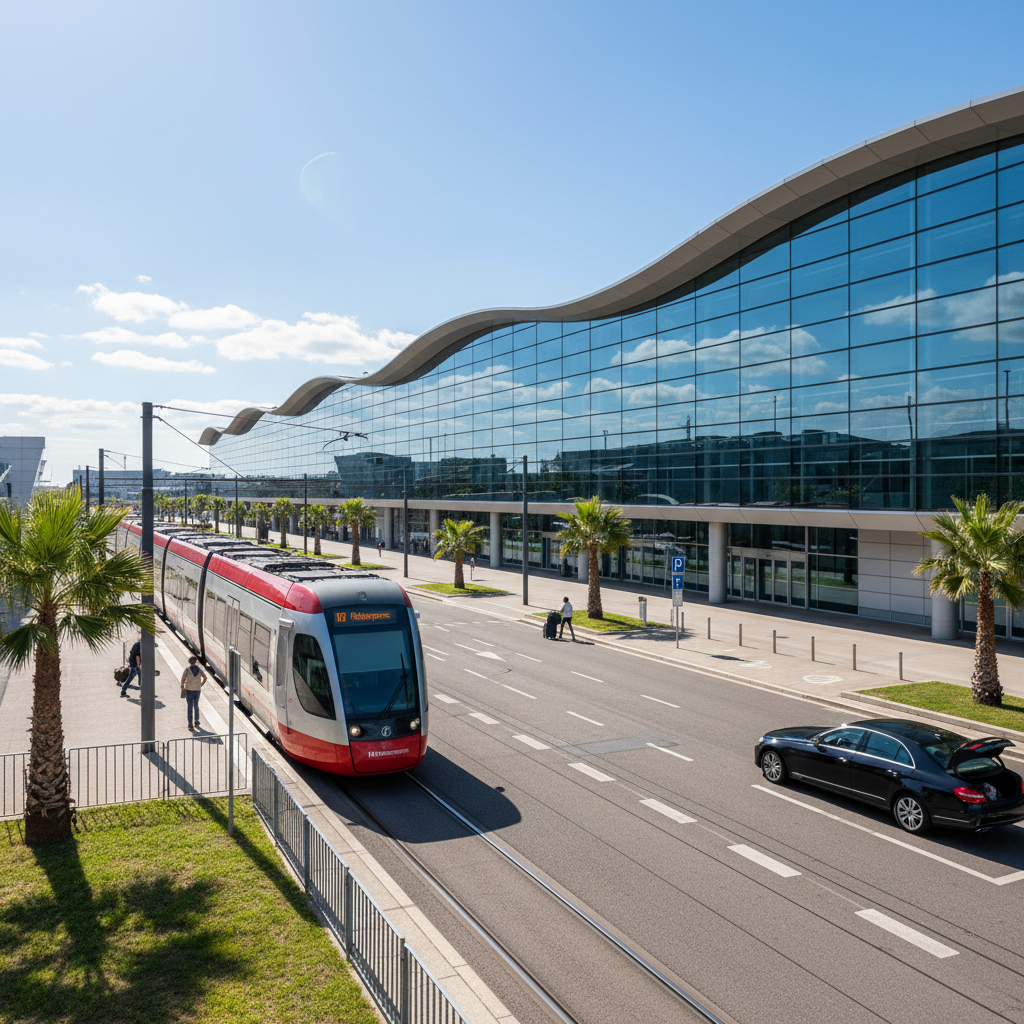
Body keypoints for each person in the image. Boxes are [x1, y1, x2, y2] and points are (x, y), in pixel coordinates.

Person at [180, 656, 207, 731]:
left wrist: (182, 686)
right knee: (196, 705)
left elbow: (183, 679)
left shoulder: (187, 670)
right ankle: (197, 720)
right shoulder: (199, 670)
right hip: (197, 690)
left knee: (190, 706)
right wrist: (201, 684)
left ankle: (190, 724)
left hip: (189, 690)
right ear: (195, 662)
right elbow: (205, 678)